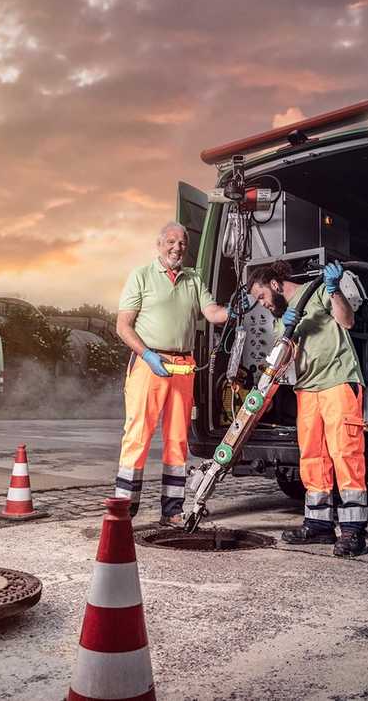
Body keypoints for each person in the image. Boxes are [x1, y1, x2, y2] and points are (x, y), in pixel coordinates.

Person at [115, 222, 233, 526]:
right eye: (171, 242)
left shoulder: (194, 279)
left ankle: (172, 511)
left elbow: (212, 314)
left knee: (177, 439)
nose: (177, 248)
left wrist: (235, 310)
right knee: (137, 435)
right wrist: (148, 355)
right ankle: (124, 510)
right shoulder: (140, 276)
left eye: (182, 243)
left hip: (183, 366)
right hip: (148, 363)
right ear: (159, 244)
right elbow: (123, 326)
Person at [247, 259, 368, 556]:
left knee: (345, 452)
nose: (262, 303)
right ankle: (319, 524)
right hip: (307, 388)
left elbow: (348, 321)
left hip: (338, 380)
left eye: (262, 296)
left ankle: (353, 531)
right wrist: (287, 332)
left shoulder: (316, 293)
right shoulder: (280, 317)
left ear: (275, 284)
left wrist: (333, 290)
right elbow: (284, 362)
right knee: (313, 456)